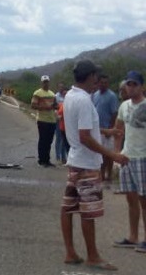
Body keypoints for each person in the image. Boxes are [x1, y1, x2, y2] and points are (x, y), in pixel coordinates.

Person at [61, 60, 129, 270]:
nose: (97, 81)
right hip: (86, 163)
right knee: (88, 211)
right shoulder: (83, 100)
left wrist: (107, 132)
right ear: (90, 77)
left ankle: (71, 252)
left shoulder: (71, 96)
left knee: (68, 207)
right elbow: (84, 137)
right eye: (96, 77)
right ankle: (93, 256)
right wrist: (113, 155)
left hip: (75, 160)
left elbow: (85, 129)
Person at [112, 70, 146, 253]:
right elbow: (118, 130)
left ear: (142, 86)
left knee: (144, 199)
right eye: (128, 84)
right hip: (127, 157)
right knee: (131, 199)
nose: (131, 87)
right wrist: (117, 153)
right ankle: (133, 237)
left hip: (143, 158)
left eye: (134, 84)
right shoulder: (124, 106)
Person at [92, 74, 120, 182]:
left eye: (106, 82)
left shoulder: (112, 96)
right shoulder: (95, 95)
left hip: (108, 129)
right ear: (98, 83)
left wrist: (110, 129)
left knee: (108, 154)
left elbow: (114, 113)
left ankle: (109, 175)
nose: (103, 84)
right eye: (101, 82)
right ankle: (102, 174)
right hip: (97, 129)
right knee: (100, 153)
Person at [31, 75, 57, 167]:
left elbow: (55, 105)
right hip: (42, 120)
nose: (46, 83)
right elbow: (33, 105)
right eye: (44, 82)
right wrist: (45, 107)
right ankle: (41, 160)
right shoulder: (37, 93)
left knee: (49, 141)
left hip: (52, 120)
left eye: (47, 82)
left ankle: (47, 160)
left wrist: (55, 106)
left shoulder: (52, 94)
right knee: (43, 140)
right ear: (42, 83)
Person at [55, 85, 69, 164]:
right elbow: (57, 114)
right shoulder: (57, 98)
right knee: (59, 140)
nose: (65, 95)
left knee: (65, 142)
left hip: (67, 125)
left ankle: (64, 158)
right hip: (61, 125)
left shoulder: (68, 102)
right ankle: (59, 156)